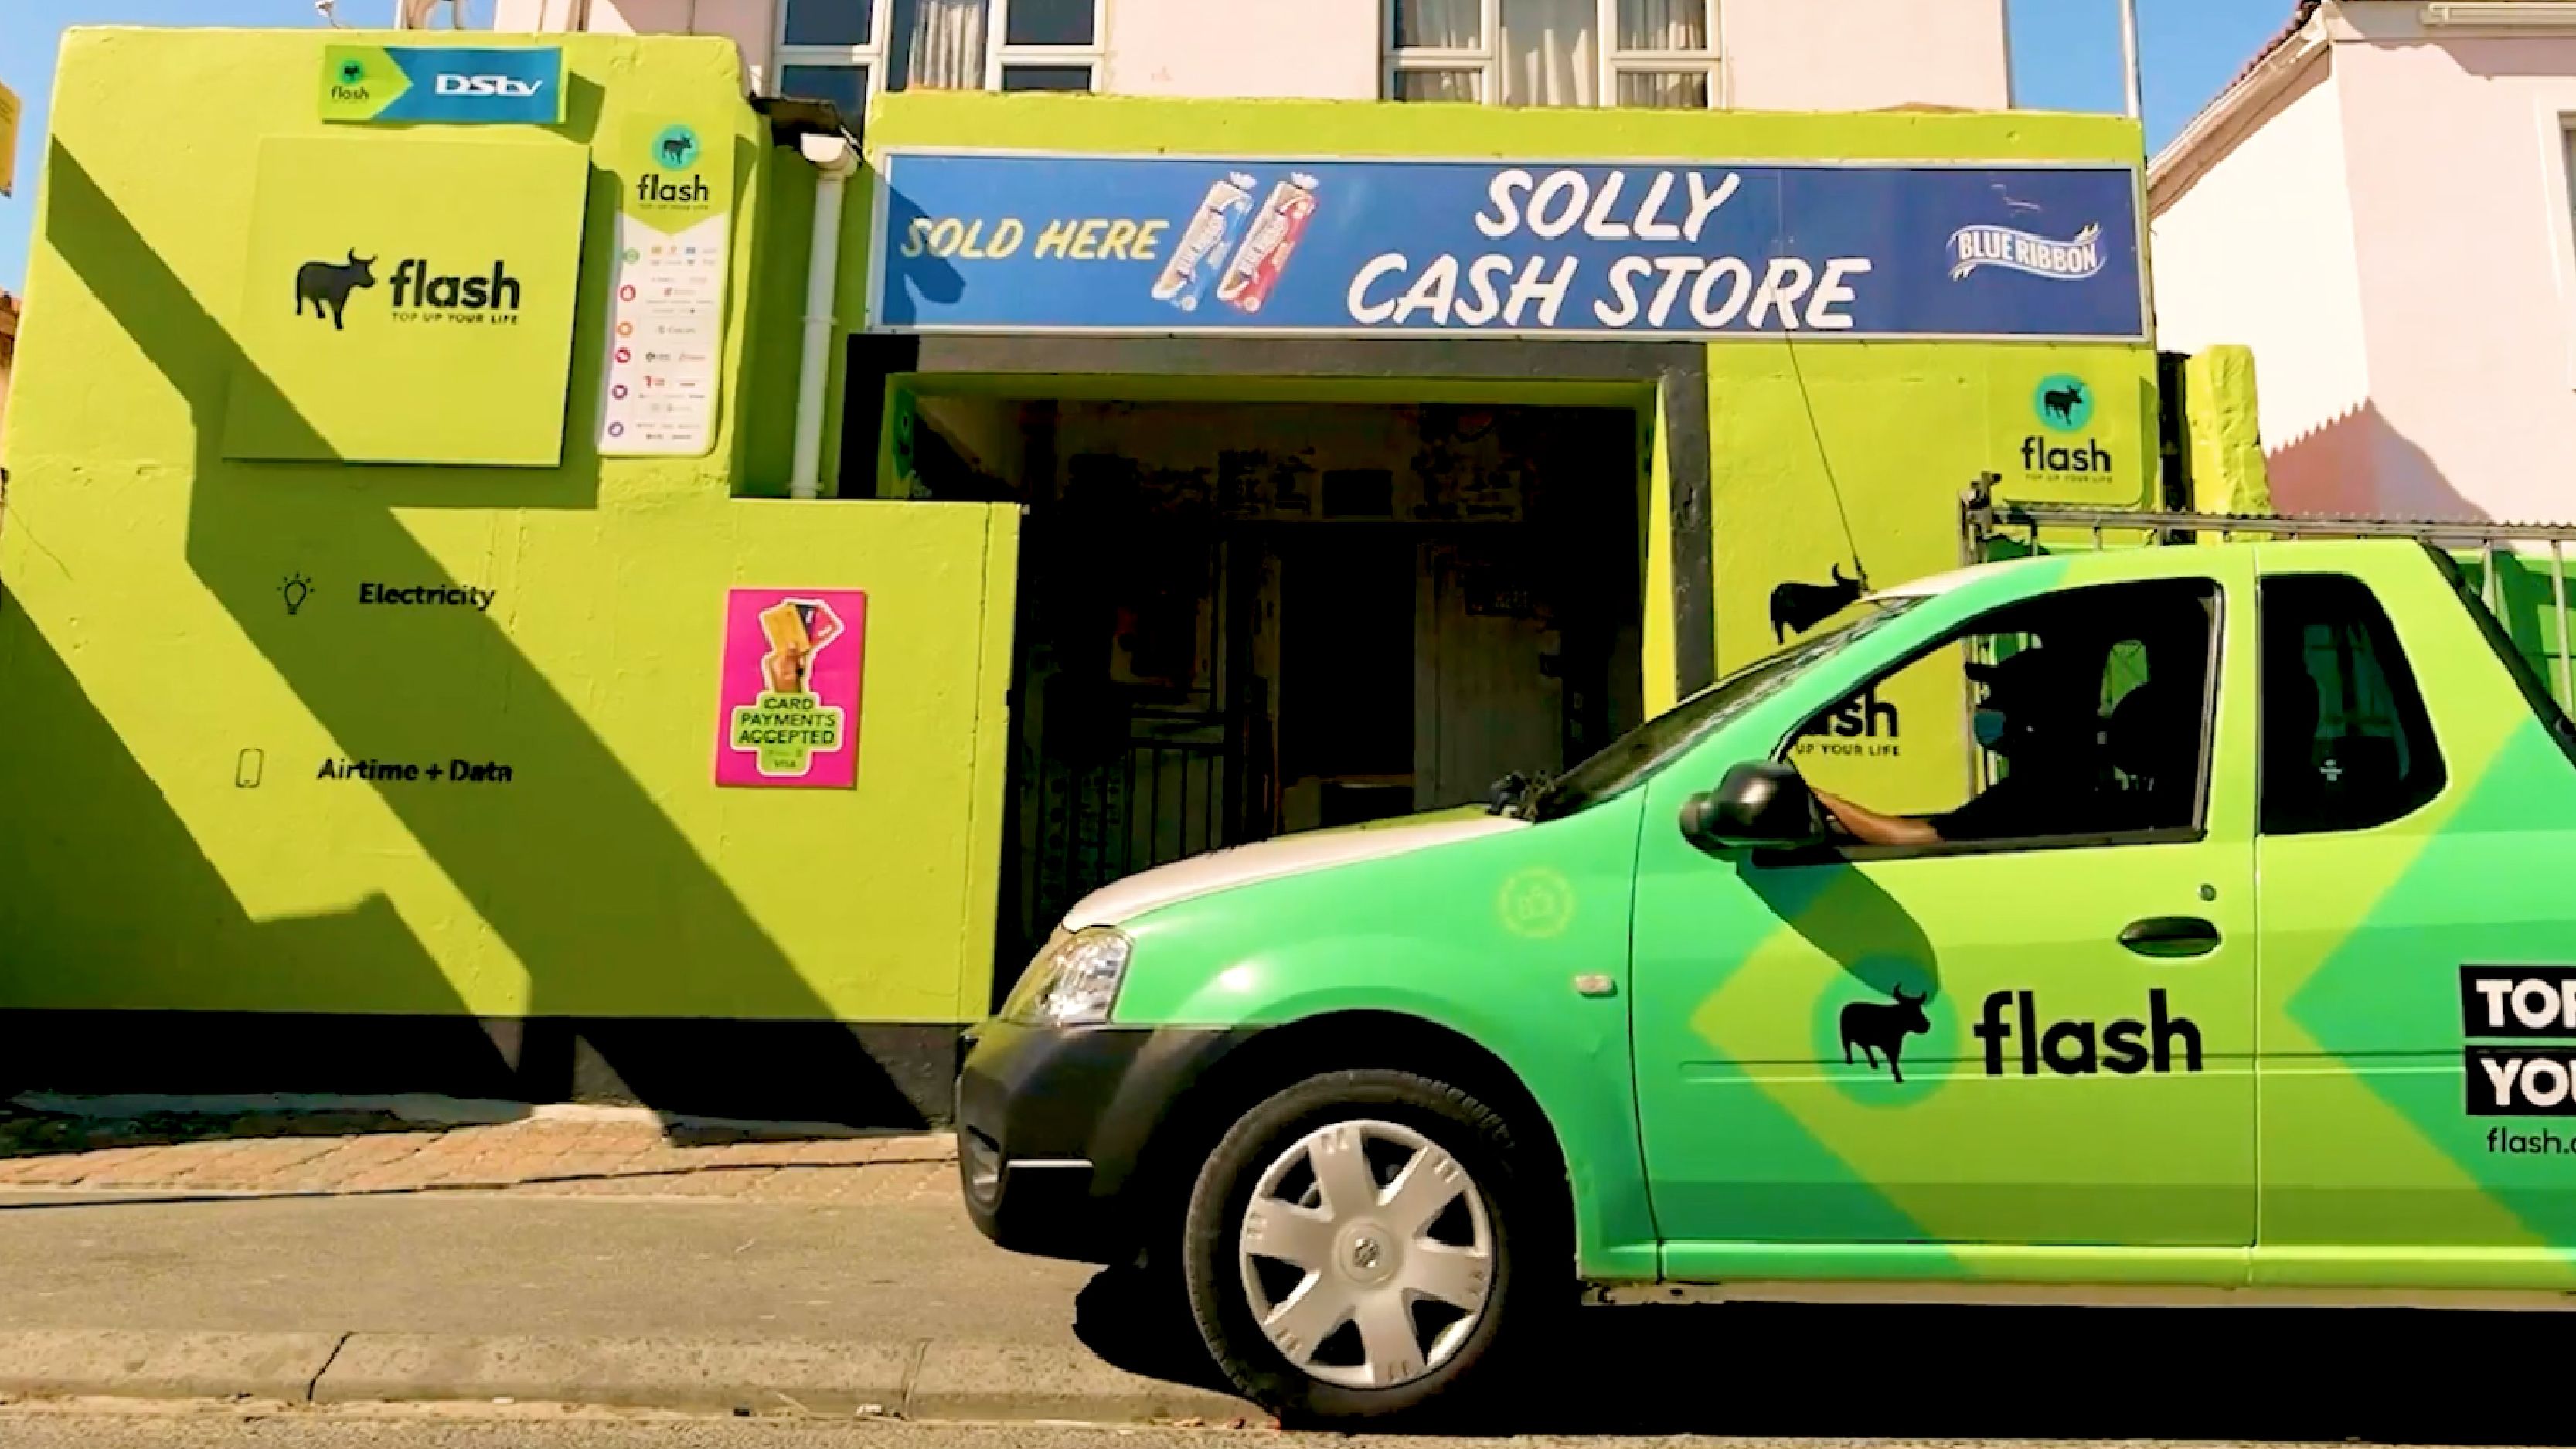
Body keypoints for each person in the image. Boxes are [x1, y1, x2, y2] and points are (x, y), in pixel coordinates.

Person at [1809, 647, 2103, 847]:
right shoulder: (2041, 785)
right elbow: (1944, 824)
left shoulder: (2035, 794)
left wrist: (1829, 801)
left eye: (2000, 696)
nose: (1985, 705)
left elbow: (1913, 839)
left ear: (2034, 716)